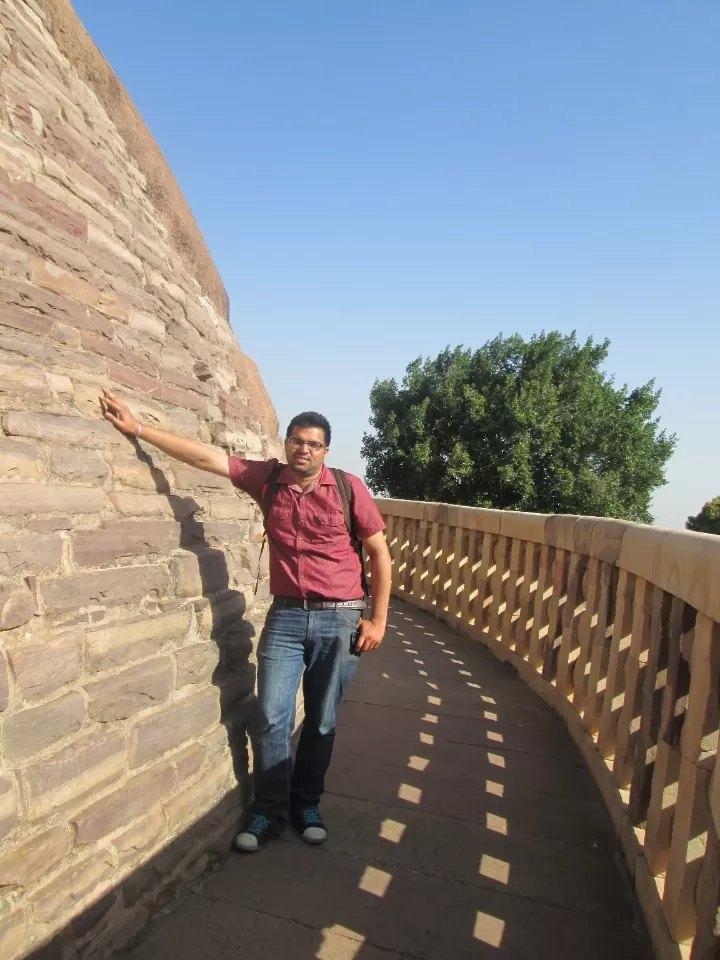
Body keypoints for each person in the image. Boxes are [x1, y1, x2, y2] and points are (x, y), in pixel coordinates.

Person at [100, 389, 392, 852]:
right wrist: (138, 429)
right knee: (272, 717)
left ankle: (307, 804)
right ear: (286, 443)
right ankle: (269, 813)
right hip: (288, 618)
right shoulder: (267, 480)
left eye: (313, 444)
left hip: (341, 619)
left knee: (320, 720)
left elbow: (378, 552)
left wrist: (377, 619)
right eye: (297, 441)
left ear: (325, 450)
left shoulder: (347, 487)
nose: (304, 449)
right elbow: (207, 458)